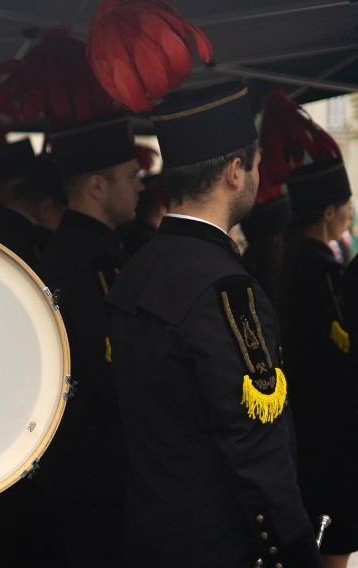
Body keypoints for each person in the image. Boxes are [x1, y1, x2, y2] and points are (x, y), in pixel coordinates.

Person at [104, 82, 322, 567]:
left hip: (149, 540)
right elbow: (258, 450)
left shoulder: (136, 269)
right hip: (218, 548)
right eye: (257, 163)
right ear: (234, 171)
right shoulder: (227, 290)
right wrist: (296, 553)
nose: (259, 175)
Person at [34, 112, 143, 567]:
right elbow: (113, 373)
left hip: (78, 472)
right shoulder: (94, 263)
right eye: (132, 177)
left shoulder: (76, 249)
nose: (140, 186)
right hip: (96, 474)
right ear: (98, 186)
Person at [276, 158, 356, 568]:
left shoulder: (294, 262)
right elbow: (340, 355)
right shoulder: (322, 271)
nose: (351, 212)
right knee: (334, 541)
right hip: (329, 428)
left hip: (304, 423)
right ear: (329, 213)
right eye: (348, 204)